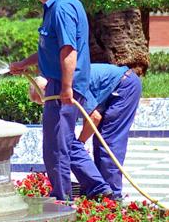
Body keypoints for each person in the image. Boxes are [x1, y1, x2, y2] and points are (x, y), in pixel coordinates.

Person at [10, 0, 111, 201]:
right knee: (62, 143)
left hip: (63, 86)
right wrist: (25, 63)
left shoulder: (62, 8)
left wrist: (66, 88)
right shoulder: (64, 4)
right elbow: (53, 48)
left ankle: (62, 200)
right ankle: (98, 189)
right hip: (62, 84)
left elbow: (68, 50)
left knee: (57, 148)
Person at [29, 63, 142, 199]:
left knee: (108, 141)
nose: (47, 104)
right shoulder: (58, 83)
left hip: (124, 86)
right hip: (112, 89)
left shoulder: (70, 84)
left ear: (48, 88)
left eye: (45, 100)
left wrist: (80, 142)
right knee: (93, 143)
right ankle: (103, 191)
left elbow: (94, 117)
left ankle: (112, 196)